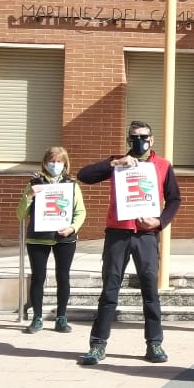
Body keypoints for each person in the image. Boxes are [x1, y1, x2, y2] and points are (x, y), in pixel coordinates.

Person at [76, 120, 182, 366]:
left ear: (152, 139)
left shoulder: (163, 166)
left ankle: (154, 343)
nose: (139, 141)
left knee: (150, 291)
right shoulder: (117, 163)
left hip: (146, 235)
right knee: (110, 289)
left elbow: (175, 199)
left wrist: (159, 222)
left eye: (143, 136)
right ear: (128, 140)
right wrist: (114, 163)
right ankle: (97, 345)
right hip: (118, 233)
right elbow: (84, 175)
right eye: (134, 137)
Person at [15, 146, 87, 334]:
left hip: (64, 238)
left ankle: (61, 318)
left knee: (63, 277)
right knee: (38, 278)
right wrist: (29, 196)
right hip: (38, 239)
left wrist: (72, 227)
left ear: (65, 164)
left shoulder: (71, 185)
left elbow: (80, 212)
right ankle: (37, 318)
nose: (55, 165)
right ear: (45, 163)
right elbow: (21, 214)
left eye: (59, 161)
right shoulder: (34, 184)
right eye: (52, 161)